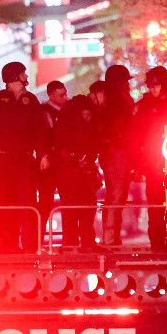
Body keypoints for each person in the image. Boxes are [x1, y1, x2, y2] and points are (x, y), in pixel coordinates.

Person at [0, 62, 50, 252]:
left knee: (27, 205)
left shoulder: (31, 101)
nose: (26, 77)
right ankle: (0, 246)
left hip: (24, 161)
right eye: (23, 73)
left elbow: (40, 130)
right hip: (0, 161)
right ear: (15, 77)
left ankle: (30, 248)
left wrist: (42, 154)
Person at [132, 66, 167, 252]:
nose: (152, 89)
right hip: (152, 163)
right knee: (155, 207)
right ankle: (157, 245)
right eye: (150, 86)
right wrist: (137, 165)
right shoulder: (144, 106)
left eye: (155, 85)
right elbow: (135, 136)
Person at [51, 85, 104, 249]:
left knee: (70, 207)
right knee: (86, 206)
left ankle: (69, 243)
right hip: (77, 166)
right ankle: (87, 242)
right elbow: (90, 138)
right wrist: (84, 158)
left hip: (68, 166)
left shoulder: (69, 110)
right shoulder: (86, 110)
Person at [98, 64, 136, 246]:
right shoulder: (115, 103)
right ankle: (110, 237)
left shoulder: (117, 101)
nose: (127, 85)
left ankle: (112, 237)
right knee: (116, 194)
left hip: (120, 151)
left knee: (118, 195)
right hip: (116, 151)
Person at [37, 80, 69, 239]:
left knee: (68, 201)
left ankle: (69, 240)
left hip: (63, 162)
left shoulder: (67, 111)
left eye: (65, 94)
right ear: (51, 95)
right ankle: (38, 239)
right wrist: (45, 155)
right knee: (45, 203)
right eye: (61, 95)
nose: (65, 98)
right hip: (50, 162)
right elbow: (43, 136)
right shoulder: (44, 112)